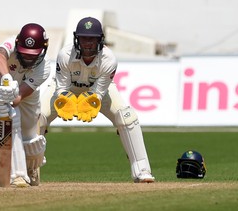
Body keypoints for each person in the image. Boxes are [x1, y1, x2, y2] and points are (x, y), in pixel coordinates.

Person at [39, 17, 155, 183]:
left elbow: (97, 94)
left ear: (100, 40)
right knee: (38, 118)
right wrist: (64, 99)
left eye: (92, 39)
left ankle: (142, 171)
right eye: (84, 38)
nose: (88, 44)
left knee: (127, 117)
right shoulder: (65, 54)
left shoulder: (109, 59)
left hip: (97, 91)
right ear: (76, 39)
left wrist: (90, 101)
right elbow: (61, 89)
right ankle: (29, 171)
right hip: (66, 89)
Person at [0, 23, 50, 187]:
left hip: (24, 95)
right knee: (6, 114)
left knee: (32, 140)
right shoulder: (11, 43)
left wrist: (11, 93)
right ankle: (16, 175)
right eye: (24, 53)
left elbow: (18, 98)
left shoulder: (44, 68)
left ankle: (32, 168)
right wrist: (6, 79)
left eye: (33, 55)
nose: (28, 58)